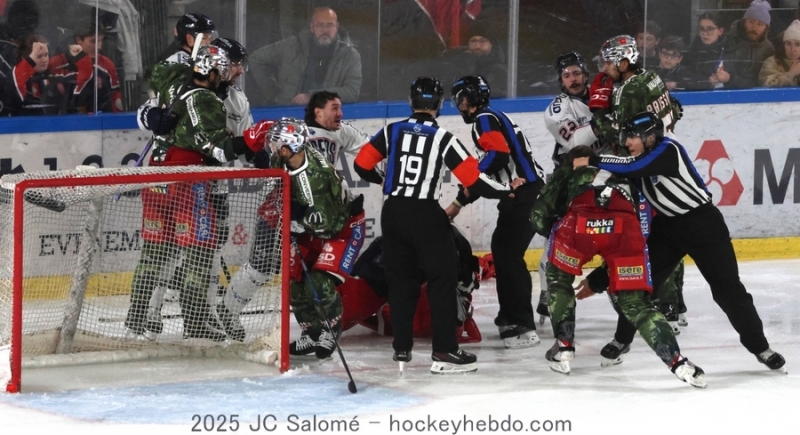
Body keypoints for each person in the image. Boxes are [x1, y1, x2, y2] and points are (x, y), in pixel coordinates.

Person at [574, 111, 787, 374]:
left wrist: (593, 159)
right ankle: (622, 339)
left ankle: (761, 348)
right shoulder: (635, 159)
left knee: (728, 290)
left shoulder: (668, 149)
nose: (626, 142)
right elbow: (614, 178)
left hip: (703, 225)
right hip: (668, 228)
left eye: (632, 136)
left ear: (650, 137)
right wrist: (598, 280)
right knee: (636, 282)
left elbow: (632, 167)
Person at [354, 76, 517, 374]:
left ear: (411, 102)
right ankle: (444, 351)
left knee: (400, 281)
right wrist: (506, 190)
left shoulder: (392, 130)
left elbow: (361, 164)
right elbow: (474, 180)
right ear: (440, 104)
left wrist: (383, 180)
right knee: (442, 278)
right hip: (426, 215)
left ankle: (401, 349)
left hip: (394, 212)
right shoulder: (443, 138)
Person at [124, 45, 272, 341]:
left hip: (156, 179)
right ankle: (194, 322)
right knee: (200, 256)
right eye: (225, 70)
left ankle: (136, 319)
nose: (229, 75)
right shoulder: (206, 100)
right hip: (188, 183)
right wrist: (251, 140)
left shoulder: (174, 77)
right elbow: (219, 151)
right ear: (212, 72)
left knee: (154, 254)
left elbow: (155, 71)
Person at [529, 145, 705, 387]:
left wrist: (557, 231)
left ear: (571, 162)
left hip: (579, 225)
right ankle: (678, 362)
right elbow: (647, 218)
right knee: (637, 304)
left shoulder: (566, 173)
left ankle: (564, 348)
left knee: (559, 280)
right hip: (625, 229)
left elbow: (538, 216)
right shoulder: (627, 173)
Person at [219, 117, 366, 360]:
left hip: (343, 229)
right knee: (294, 283)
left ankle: (330, 329)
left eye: (275, 146)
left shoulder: (315, 179)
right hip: (313, 226)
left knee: (318, 282)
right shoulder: (292, 155)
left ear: (287, 149)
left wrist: (296, 220)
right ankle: (312, 332)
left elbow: (327, 226)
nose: (272, 149)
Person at [445, 75, 545, 350]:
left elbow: (497, 156)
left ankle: (521, 324)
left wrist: (470, 181)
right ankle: (512, 317)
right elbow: (488, 173)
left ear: (469, 99)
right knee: (504, 251)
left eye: (461, 100)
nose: (460, 106)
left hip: (523, 194)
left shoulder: (484, 119)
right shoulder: (495, 117)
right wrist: (459, 202)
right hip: (525, 193)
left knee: (508, 254)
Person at [540, 51, 609, 324]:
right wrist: (604, 119)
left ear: (585, 74)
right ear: (560, 80)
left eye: (577, 73)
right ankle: (547, 292)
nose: (573, 79)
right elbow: (575, 142)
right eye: (566, 75)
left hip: (609, 173)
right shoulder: (556, 109)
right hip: (570, 177)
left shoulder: (605, 95)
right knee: (556, 236)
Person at [248, 7, 362, 106]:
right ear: (312, 27)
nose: (325, 30)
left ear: (337, 27)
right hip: (289, 112)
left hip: (328, 115)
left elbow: (352, 92)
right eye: (320, 25)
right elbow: (256, 59)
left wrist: (313, 97)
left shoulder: (350, 55)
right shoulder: (292, 46)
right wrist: (274, 93)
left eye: (330, 25)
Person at [48, 22, 122, 113]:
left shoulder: (107, 64)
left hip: (97, 119)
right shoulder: (57, 63)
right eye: (94, 41)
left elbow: (115, 98)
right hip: (62, 119)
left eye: (101, 41)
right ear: (79, 40)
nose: (99, 46)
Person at [435, 21, 507, 98]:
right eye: (473, 41)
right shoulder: (460, 59)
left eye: (482, 41)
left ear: (491, 44)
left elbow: (478, 95)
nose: (477, 46)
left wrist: (470, 65)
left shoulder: (499, 70)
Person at [1, 33, 62, 116]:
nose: (44, 60)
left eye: (46, 55)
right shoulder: (16, 76)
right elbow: (17, 85)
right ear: (25, 58)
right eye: (39, 56)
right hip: (24, 122)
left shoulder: (52, 76)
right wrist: (30, 60)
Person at [718, 0, 774, 89]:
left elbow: (765, 80)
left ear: (766, 28)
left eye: (760, 24)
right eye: (751, 22)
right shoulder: (729, 41)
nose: (754, 28)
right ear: (744, 22)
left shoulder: (768, 48)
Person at [304, 90, 368, 166]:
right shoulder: (298, 133)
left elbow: (370, 148)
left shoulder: (342, 130)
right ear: (318, 112)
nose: (340, 114)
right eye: (334, 108)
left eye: (340, 108)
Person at [684, 12, 729, 90]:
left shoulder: (731, 50)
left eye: (710, 29)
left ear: (720, 31)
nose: (705, 33)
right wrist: (706, 82)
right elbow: (683, 79)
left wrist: (729, 78)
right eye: (701, 29)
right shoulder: (691, 53)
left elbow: (746, 81)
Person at [759, 20, 800, 87]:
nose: (792, 49)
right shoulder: (772, 62)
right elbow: (767, 86)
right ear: (784, 45)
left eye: (798, 44)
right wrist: (791, 74)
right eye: (788, 44)